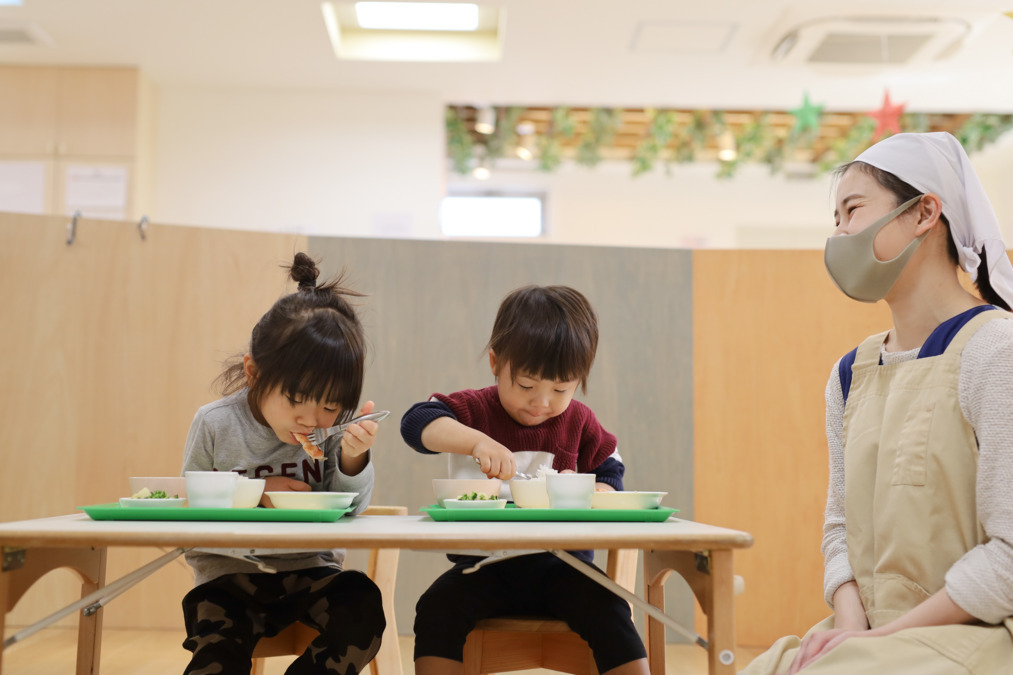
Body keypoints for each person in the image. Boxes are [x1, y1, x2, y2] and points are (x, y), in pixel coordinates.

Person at [742, 132, 1013, 674]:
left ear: (924, 213)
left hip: (972, 639)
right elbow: (839, 530)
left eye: (853, 209)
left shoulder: (996, 352)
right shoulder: (850, 374)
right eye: (835, 217)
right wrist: (851, 633)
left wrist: (880, 642)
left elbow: (1009, 557)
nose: (839, 233)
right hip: (871, 637)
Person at [400, 284, 650, 675]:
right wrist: (476, 442)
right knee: (437, 607)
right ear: (496, 363)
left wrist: (597, 491)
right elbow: (417, 423)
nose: (541, 402)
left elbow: (610, 469)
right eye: (527, 385)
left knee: (611, 607)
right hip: (482, 568)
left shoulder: (579, 421)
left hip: (564, 567)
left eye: (561, 388)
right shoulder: (474, 410)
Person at [179, 252, 386, 675]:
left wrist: (353, 457)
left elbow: (353, 509)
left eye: (330, 406)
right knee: (216, 651)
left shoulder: (334, 432)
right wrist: (256, 493)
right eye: (296, 400)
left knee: (362, 607)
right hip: (228, 577)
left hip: (312, 573)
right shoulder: (216, 423)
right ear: (254, 374)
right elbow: (192, 506)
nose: (311, 420)